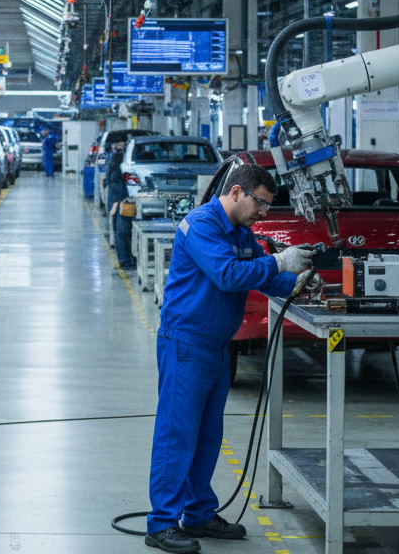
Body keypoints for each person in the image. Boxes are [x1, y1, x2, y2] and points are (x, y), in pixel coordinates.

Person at [145, 163, 314, 553]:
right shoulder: (201, 225)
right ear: (236, 192)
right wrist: (279, 261)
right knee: (177, 435)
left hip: (218, 346)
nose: (264, 213)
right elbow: (227, 274)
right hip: (186, 344)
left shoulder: (241, 232)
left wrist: (299, 281)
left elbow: (263, 277)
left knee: (207, 436)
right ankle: (162, 523)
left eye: (268, 206)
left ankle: (198, 513)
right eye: (260, 203)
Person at [106, 142, 134, 272]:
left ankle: (125, 260)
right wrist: (116, 204)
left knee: (120, 233)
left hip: (117, 203)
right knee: (123, 232)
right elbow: (118, 190)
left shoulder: (113, 165)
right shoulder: (118, 170)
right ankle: (125, 261)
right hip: (121, 204)